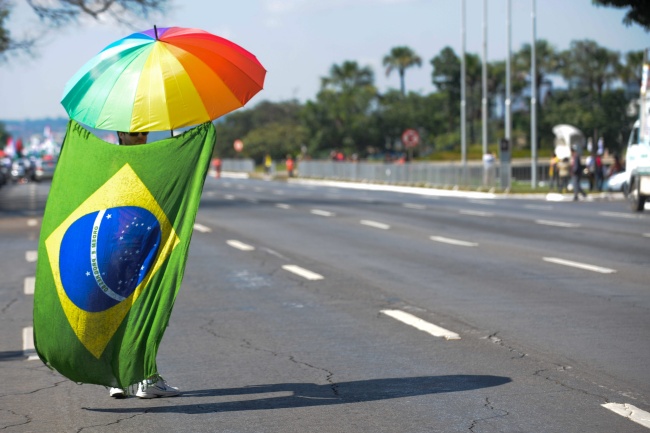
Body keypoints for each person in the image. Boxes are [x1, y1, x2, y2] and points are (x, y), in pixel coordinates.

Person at [109, 130, 181, 399]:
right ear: (120, 134)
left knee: (148, 312)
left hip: (150, 244)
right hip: (119, 247)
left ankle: (145, 378)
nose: (140, 137)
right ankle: (117, 377)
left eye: (144, 131)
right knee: (120, 314)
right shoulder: (114, 161)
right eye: (133, 133)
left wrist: (177, 153)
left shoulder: (155, 157)